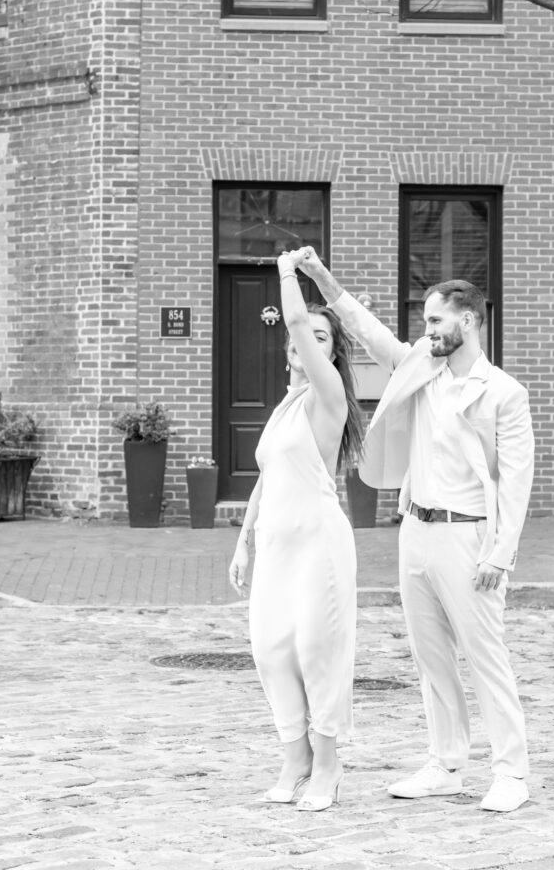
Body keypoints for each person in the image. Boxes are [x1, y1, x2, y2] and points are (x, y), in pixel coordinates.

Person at [298, 248, 534, 814]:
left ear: (469, 320)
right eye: (424, 323)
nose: (426, 331)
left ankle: (511, 773)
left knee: (485, 657)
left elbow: (517, 481)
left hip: (470, 539)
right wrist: (322, 280)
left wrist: (500, 555)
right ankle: (446, 763)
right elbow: (367, 329)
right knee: (431, 658)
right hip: (417, 531)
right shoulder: (421, 368)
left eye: (435, 321)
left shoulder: (503, 392)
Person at [229, 247, 363, 813]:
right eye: (304, 338)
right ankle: (295, 756)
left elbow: (295, 320)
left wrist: (289, 273)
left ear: (331, 353)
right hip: (275, 547)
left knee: (317, 650)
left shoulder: (327, 395)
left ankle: (328, 764)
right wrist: (242, 539)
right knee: (270, 649)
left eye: (320, 338)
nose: (307, 342)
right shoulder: (285, 406)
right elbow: (267, 477)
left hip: (319, 545)